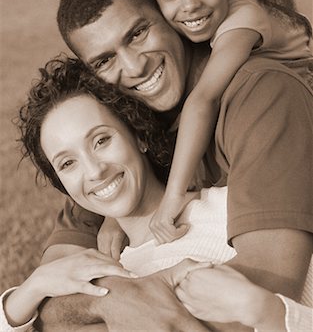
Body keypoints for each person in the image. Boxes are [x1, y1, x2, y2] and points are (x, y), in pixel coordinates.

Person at [2, 56, 312, 331]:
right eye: (68, 163)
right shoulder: (103, 272)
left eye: (101, 141)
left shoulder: (232, 210)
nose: (94, 171)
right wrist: (33, 286)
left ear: (138, 137)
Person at [102, 0, 313, 242]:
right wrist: (116, 219)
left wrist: (172, 198)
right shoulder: (190, 32)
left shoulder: (243, 17)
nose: (190, 5)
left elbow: (203, 99)